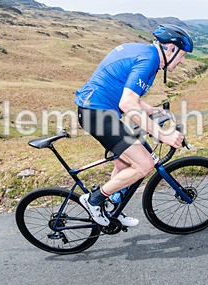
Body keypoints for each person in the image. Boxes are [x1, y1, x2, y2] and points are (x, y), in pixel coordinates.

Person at [74, 24, 193, 227]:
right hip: (97, 114)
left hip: (97, 111)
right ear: (171, 49)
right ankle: (94, 200)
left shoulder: (146, 53)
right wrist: (163, 135)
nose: (182, 61)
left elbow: (128, 92)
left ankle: (110, 207)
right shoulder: (149, 60)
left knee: (123, 163)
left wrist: (150, 109)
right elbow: (127, 103)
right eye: (182, 55)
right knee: (145, 164)